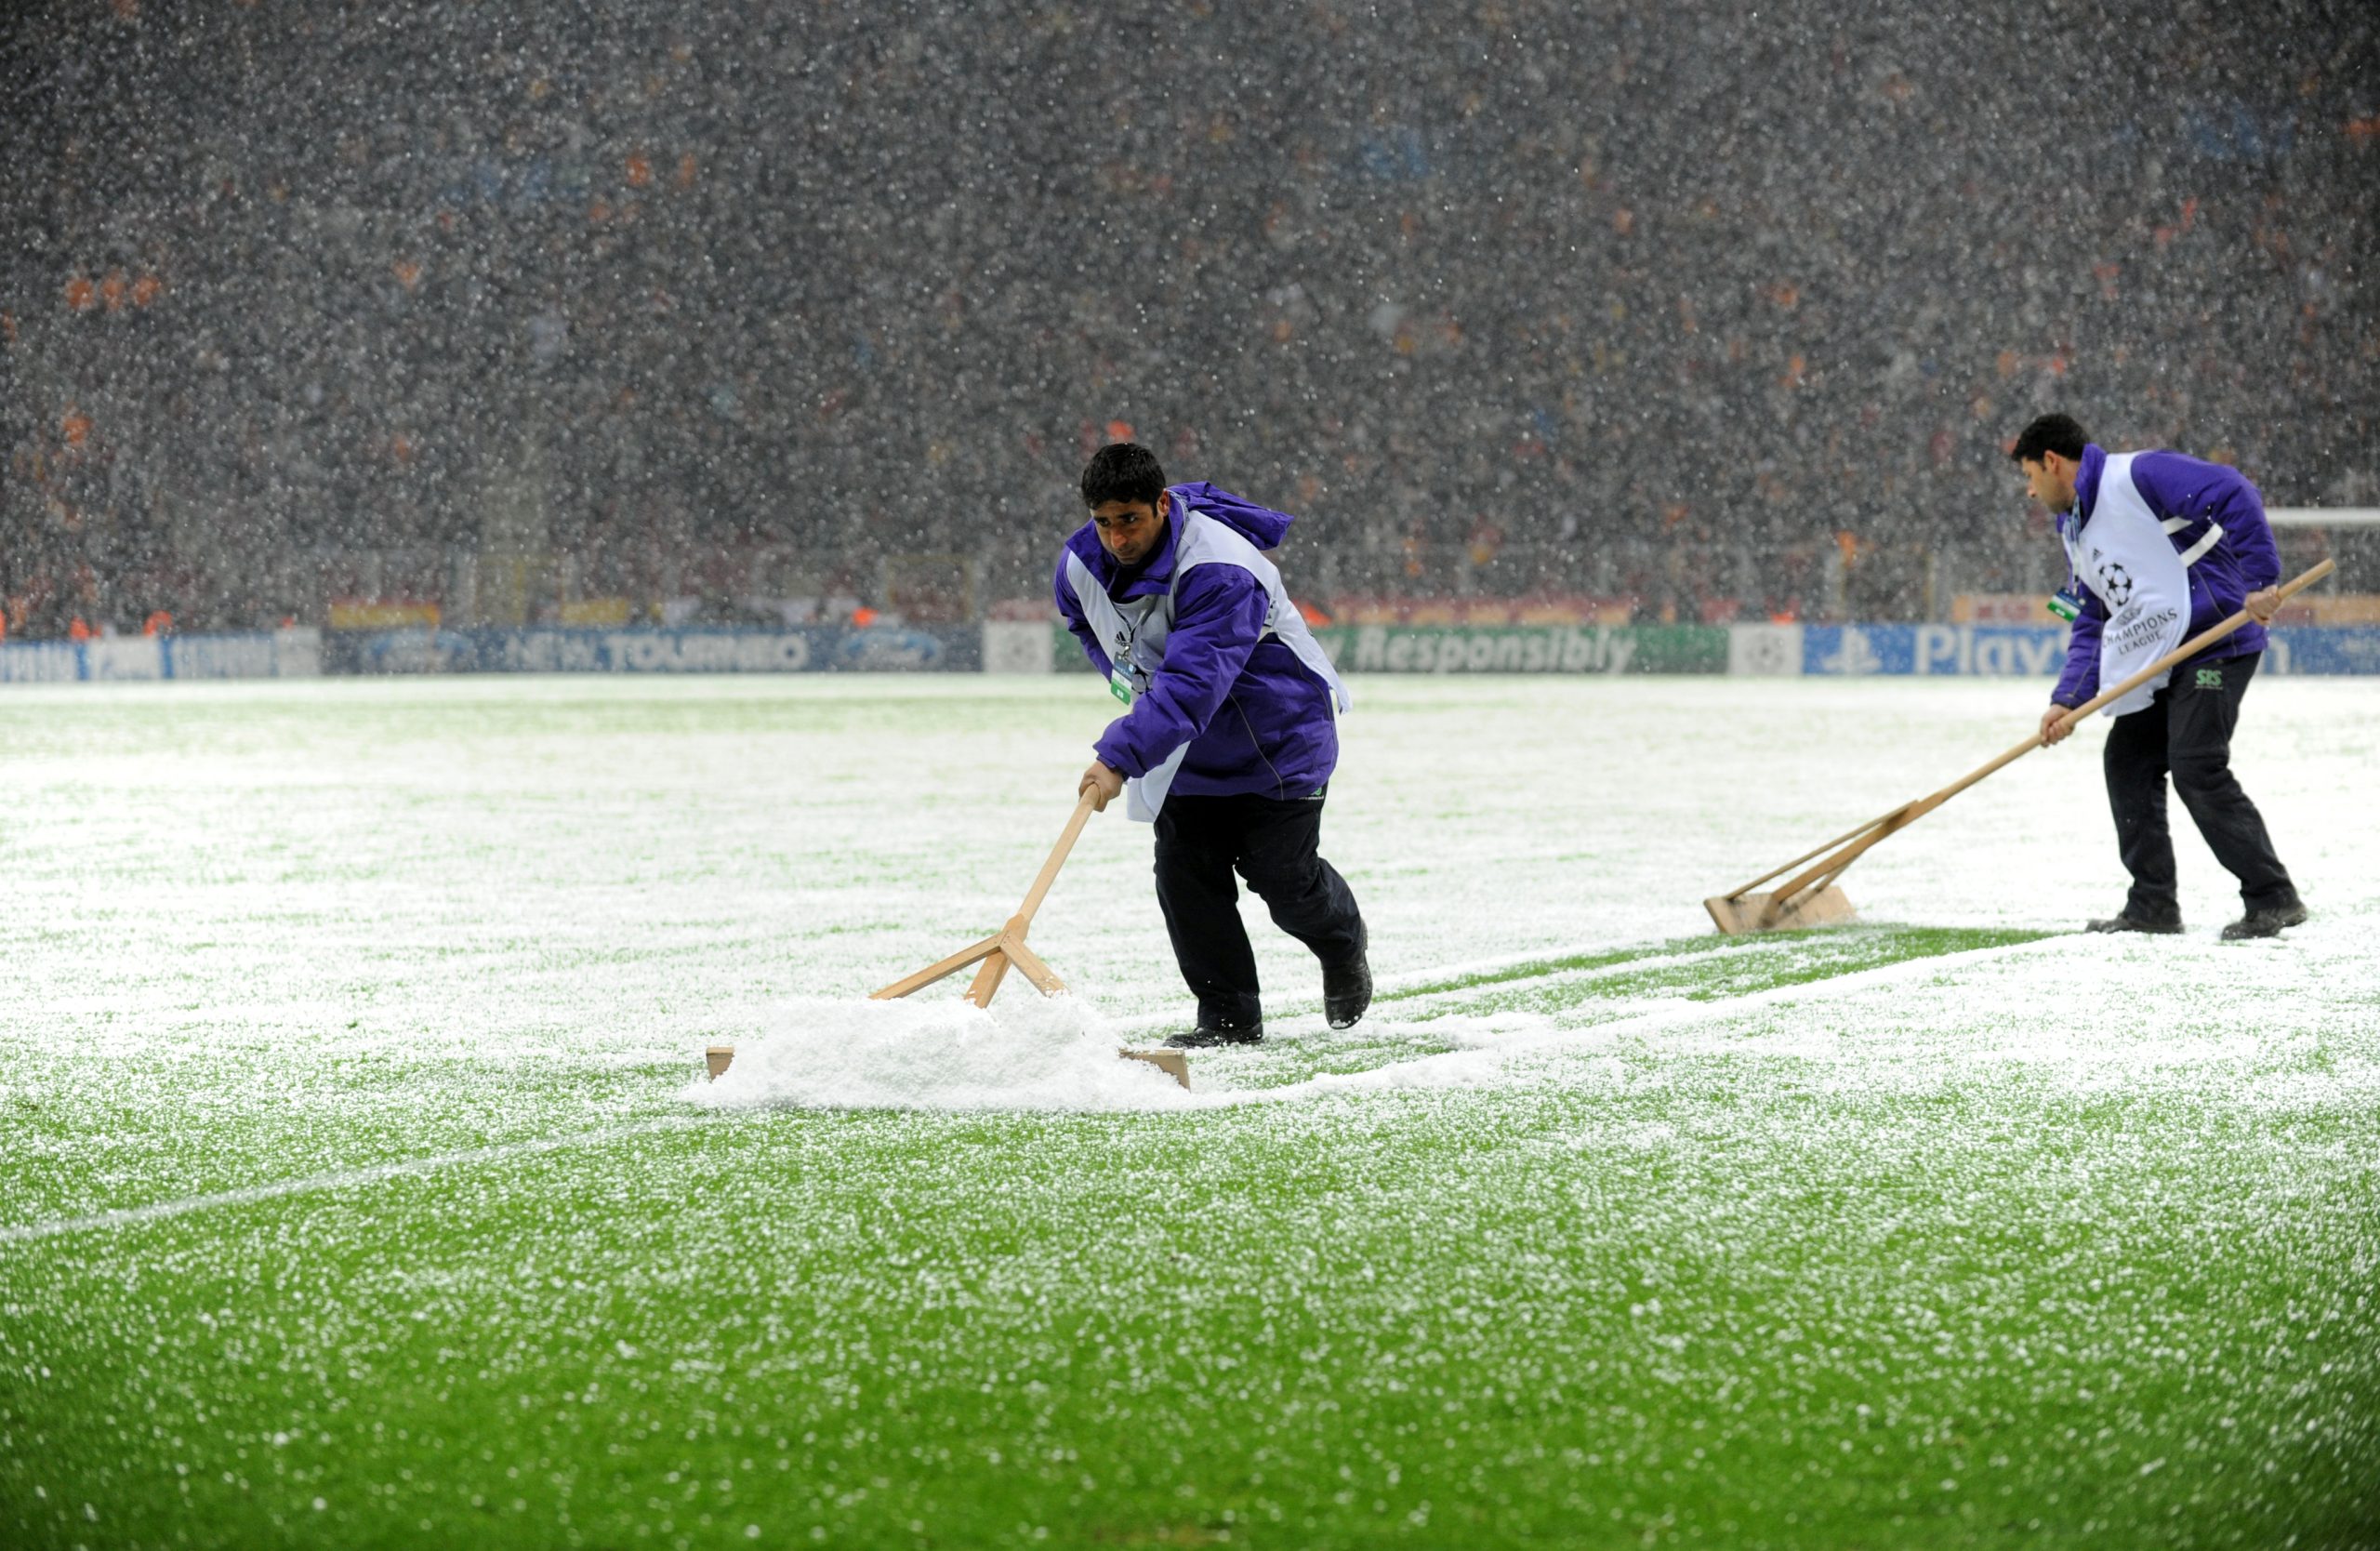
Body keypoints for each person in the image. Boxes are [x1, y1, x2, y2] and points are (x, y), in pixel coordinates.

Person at [1056, 442, 1370, 1047]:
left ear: (1163, 505)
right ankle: (1228, 1017)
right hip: (1183, 748)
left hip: (1277, 739)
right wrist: (1128, 684)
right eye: (1104, 522)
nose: (1117, 539)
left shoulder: (1221, 570)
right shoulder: (1078, 565)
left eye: (1131, 520)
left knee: (1283, 882)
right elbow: (1086, 625)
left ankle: (1342, 942)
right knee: (1185, 876)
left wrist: (1120, 752)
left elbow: (1192, 685)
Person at [2010, 413, 2307, 939]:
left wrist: (2261, 580)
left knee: (2195, 763)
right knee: (2127, 761)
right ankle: (2152, 906)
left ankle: (2272, 896)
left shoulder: (2139, 476)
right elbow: (2093, 617)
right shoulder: (2073, 528)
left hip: (2214, 641)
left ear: (2052, 463)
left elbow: (2234, 491)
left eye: (2030, 476)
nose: (2030, 492)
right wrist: (2068, 700)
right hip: (2157, 658)